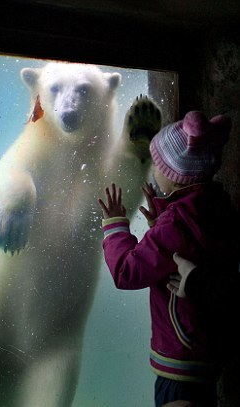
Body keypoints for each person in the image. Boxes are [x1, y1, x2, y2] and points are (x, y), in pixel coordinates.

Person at [98, 110, 239, 407]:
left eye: (157, 164)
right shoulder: (217, 206)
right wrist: (162, 218)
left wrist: (114, 225)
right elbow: (195, 245)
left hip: (180, 359)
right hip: (205, 348)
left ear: (174, 172)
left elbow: (126, 272)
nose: (154, 170)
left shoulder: (175, 224)